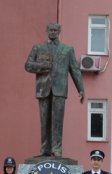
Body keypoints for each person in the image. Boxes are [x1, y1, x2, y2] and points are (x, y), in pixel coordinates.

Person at [25, 22, 85, 158]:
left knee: (58, 120)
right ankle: (45, 148)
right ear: (46, 31)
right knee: (44, 119)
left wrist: (80, 89)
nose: (53, 32)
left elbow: (75, 69)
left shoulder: (67, 49)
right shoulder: (38, 48)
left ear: (59, 31)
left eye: (55, 30)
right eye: (50, 30)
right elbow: (28, 65)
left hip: (60, 89)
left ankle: (57, 149)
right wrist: (43, 65)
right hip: (43, 89)